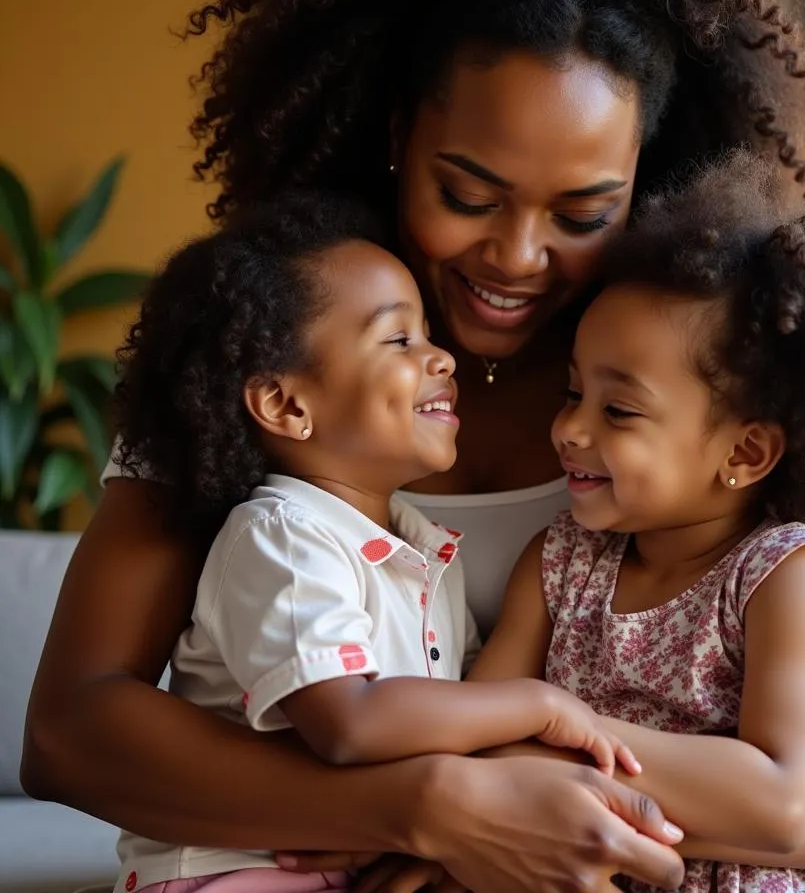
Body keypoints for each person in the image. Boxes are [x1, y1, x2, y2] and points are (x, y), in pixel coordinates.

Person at [21, 0, 805, 891]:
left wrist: (562, 813)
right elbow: (72, 727)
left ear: (646, 181)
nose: (517, 256)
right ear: (398, 139)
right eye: (467, 193)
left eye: (582, 214)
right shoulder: (279, 346)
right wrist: (425, 808)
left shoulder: (703, 385)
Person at [107, 192, 641, 893]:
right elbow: (350, 722)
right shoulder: (280, 537)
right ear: (287, 405)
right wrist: (540, 706)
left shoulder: (423, 550)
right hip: (237, 867)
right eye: (400, 341)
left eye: (427, 334)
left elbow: (456, 713)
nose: (442, 359)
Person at [470, 153, 805, 892]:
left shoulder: (792, 578)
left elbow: (778, 800)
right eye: (573, 393)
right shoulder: (559, 563)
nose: (569, 430)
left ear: (746, 450)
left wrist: (550, 732)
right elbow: (475, 739)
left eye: (619, 411)